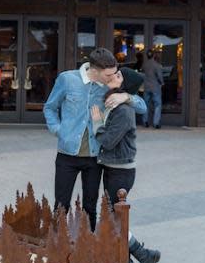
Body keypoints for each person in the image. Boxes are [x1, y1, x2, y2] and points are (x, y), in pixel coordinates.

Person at [43, 48, 147, 231]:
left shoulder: (110, 88)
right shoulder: (67, 79)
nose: (113, 77)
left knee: (90, 207)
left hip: (94, 157)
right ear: (95, 70)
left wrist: (126, 96)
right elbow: (50, 107)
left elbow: (142, 107)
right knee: (61, 205)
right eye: (108, 74)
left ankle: (88, 246)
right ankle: (56, 245)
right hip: (67, 154)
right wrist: (59, 130)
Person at [91, 67, 161, 263]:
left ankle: (142, 255)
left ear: (125, 86)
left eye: (120, 75)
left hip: (120, 171)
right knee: (114, 217)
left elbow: (109, 140)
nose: (115, 76)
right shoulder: (114, 102)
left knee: (115, 219)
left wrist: (96, 123)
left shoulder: (124, 110)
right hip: (113, 168)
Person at [141, 49, 164, 129]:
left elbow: (142, 73)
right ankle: (156, 123)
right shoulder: (156, 65)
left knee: (145, 104)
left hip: (146, 87)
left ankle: (145, 121)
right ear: (154, 55)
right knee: (157, 104)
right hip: (155, 87)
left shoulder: (145, 65)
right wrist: (162, 83)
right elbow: (160, 77)